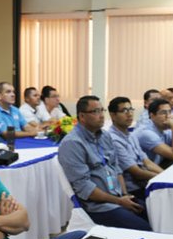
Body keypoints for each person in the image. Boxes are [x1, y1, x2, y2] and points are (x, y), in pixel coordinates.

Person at [58, 96, 152, 231]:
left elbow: (116, 168)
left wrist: (124, 195)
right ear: (82, 116)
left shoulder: (104, 136)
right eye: (96, 111)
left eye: (102, 110)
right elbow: (85, 187)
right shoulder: (72, 143)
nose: (101, 116)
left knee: (155, 215)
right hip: (99, 206)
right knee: (145, 229)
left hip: (118, 197)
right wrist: (119, 201)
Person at [107, 97, 163, 199]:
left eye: (130, 109)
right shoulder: (113, 140)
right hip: (132, 190)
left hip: (144, 183)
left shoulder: (131, 135)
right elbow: (136, 172)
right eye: (124, 111)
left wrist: (164, 174)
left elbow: (146, 161)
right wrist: (162, 177)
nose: (129, 114)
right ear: (113, 115)